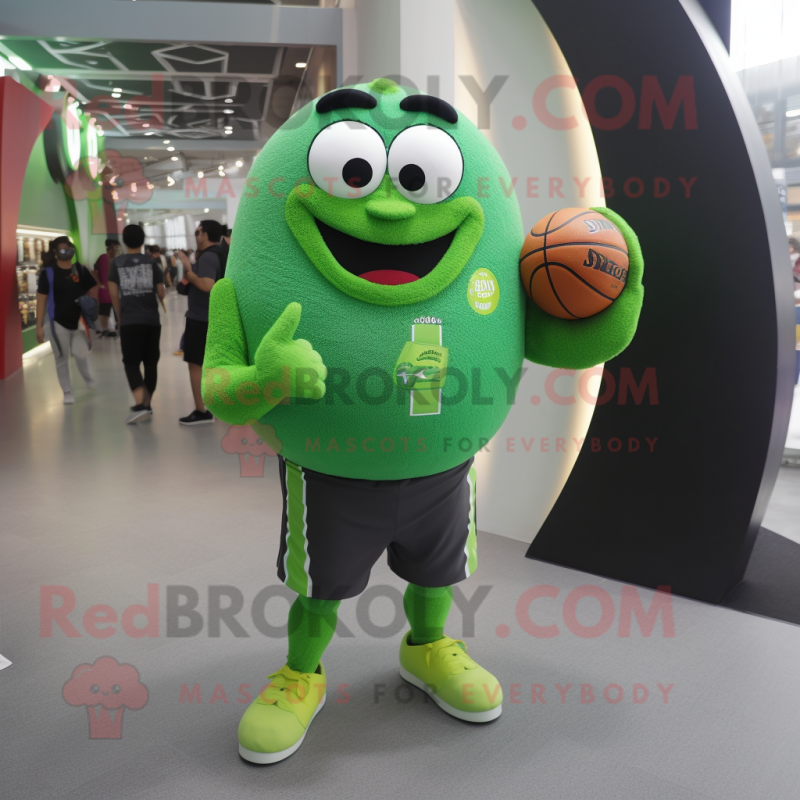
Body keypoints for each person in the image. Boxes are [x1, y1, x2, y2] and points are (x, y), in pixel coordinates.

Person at [108, 224, 165, 424]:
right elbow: (161, 292)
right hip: (151, 320)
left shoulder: (116, 263)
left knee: (131, 362)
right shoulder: (151, 262)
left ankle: (141, 404)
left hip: (130, 320)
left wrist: (119, 315)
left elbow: (114, 293)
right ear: (142, 241)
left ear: (124, 241)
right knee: (151, 363)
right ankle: (146, 405)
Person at [35, 237, 98, 404]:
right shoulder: (48, 273)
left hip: (78, 321)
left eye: (69, 247)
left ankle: (88, 378)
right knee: (61, 358)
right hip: (56, 323)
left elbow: (93, 289)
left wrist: (90, 303)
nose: (66, 251)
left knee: (81, 354)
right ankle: (67, 392)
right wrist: (39, 326)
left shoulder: (80, 270)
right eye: (62, 249)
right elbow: (41, 299)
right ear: (55, 252)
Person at [176, 219, 225, 425]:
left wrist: (188, 269)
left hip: (201, 318)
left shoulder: (208, 257)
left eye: (197, 232)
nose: (196, 236)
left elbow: (206, 285)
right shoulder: (224, 253)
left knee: (195, 364)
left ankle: (201, 411)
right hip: (218, 317)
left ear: (204, 234)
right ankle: (225, 406)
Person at [93, 239, 119, 337]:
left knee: (114, 308)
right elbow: (95, 271)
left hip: (113, 288)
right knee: (105, 310)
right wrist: (99, 284)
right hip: (105, 289)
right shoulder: (104, 258)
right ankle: (104, 329)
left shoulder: (115, 259)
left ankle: (112, 327)